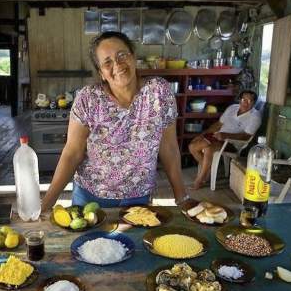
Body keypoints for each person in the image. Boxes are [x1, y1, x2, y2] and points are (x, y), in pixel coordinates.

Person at [41, 31, 187, 211]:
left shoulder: (159, 92)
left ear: (133, 58)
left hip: (139, 199)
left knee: (134, 240)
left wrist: (182, 197)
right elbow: (72, 153)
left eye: (122, 55)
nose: (117, 64)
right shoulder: (88, 99)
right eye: (107, 62)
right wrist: (47, 203)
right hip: (90, 198)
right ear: (101, 73)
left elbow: (169, 148)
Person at [188, 90, 261, 190]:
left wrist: (225, 135)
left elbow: (246, 136)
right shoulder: (232, 108)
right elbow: (218, 124)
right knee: (192, 146)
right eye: (243, 99)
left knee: (209, 148)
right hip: (218, 137)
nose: (245, 103)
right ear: (240, 99)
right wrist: (202, 135)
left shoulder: (255, 116)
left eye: (249, 100)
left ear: (254, 103)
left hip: (233, 143)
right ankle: (208, 168)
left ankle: (200, 180)